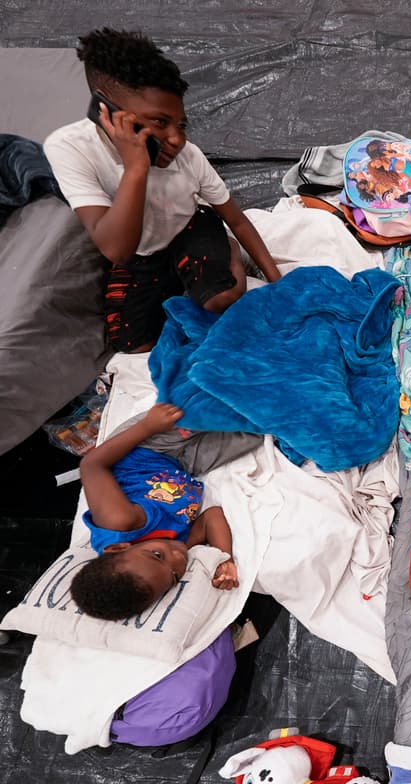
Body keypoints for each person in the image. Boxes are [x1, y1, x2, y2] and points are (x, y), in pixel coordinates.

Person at [43, 28, 281, 353]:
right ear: (106, 110)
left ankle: (224, 252)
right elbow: (116, 250)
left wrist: (276, 280)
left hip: (191, 229)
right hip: (140, 250)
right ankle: (179, 276)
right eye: (159, 122)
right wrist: (136, 168)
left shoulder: (190, 157)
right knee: (134, 344)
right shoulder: (69, 147)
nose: (176, 139)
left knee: (219, 300)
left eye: (181, 124)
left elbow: (237, 220)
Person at [71, 402, 240, 621]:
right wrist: (224, 559)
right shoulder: (175, 550)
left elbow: (91, 465)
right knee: (256, 432)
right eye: (175, 576)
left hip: (145, 446)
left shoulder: (119, 522)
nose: (178, 557)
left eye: (158, 555)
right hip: (181, 465)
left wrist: (148, 426)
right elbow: (212, 517)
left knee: (212, 405)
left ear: (119, 548)